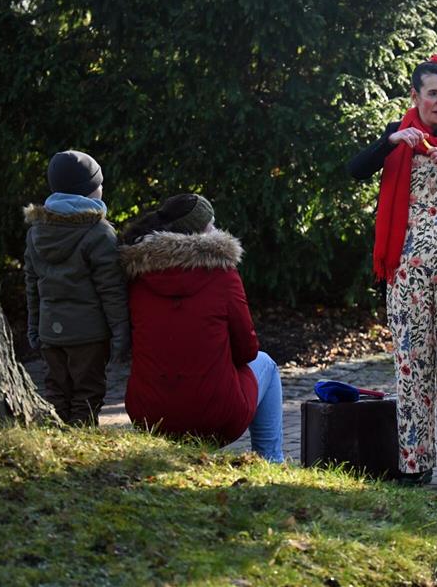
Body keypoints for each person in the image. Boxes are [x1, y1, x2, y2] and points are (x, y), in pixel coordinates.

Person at [347, 54, 437, 492]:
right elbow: (355, 170)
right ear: (416, 95)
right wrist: (391, 143)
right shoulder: (398, 135)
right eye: (433, 93)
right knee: (413, 361)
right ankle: (414, 460)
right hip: (406, 264)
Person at [119, 194, 284, 462]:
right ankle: (270, 460)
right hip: (215, 416)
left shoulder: (137, 275)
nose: (217, 231)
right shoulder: (221, 273)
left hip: (149, 414)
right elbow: (247, 350)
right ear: (196, 232)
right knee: (267, 364)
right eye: (212, 224)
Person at [24, 150, 129, 426]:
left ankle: (59, 445)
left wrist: (34, 328)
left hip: (50, 333)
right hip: (89, 336)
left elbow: (33, 285)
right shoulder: (98, 233)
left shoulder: (37, 231)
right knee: (87, 394)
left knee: (56, 393)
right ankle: (82, 446)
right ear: (90, 190)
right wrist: (121, 334)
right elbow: (111, 291)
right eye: (99, 184)